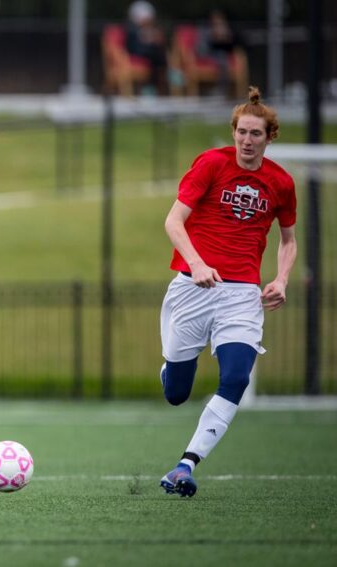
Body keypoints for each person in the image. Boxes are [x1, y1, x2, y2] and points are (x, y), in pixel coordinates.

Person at [158, 86, 297, 497]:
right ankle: (171, 368)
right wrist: (197, 263)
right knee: (176, 393)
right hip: (192, 287)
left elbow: (288, 240)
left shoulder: (281, 183)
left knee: (236, 376)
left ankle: (185, 465)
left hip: (241, 295)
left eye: (256, 134)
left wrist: (281, 279)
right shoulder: (210, 164)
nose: (247, 141)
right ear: (233, 132)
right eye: (241, 133)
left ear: (270, 137)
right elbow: (173, 221)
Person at [125, 1, 168, 95]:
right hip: (136, 53)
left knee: (157, 53)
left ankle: (157, 85)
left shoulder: (149, 29)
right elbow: (135, 45)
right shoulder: (132, 29)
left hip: (147, 53)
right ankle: (152, 87)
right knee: (155, 54)